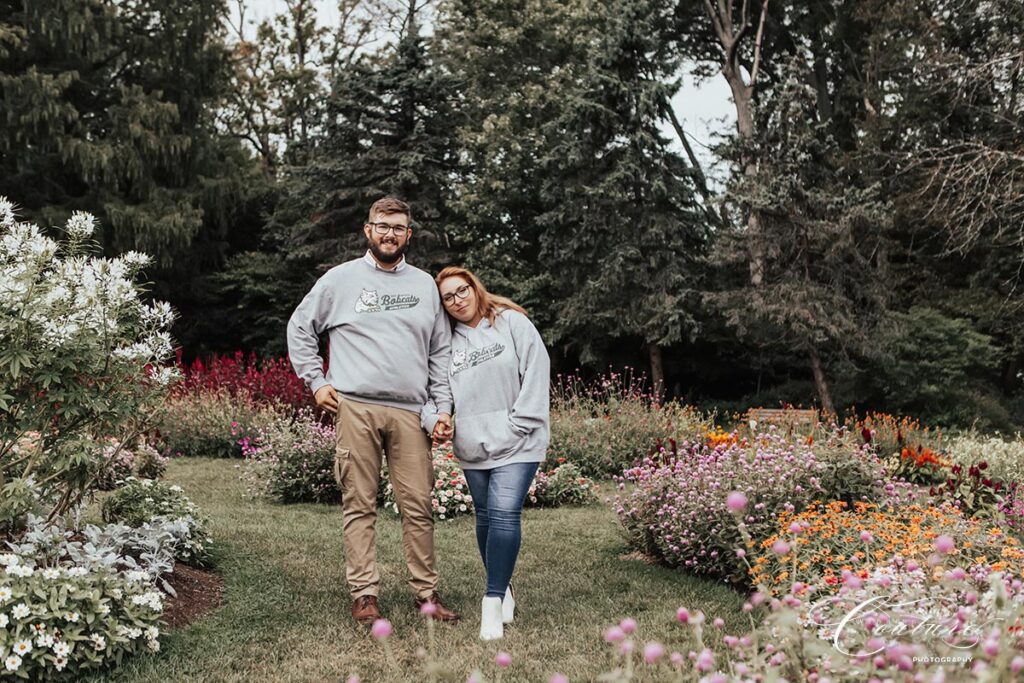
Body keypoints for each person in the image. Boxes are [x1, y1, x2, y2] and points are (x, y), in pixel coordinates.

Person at [287, 197, 460, 626]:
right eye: (382, 226)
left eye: (398, 227)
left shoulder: (424, 286)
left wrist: (441, 407)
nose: (389, 234)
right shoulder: (340, 280)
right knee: (359, 503)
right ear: (368, 230)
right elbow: (300, 327)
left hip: (410, 411)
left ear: (408, 235)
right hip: (356, 406)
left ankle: (427, 594)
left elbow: (440, 352)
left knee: (418, 504)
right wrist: (317, 381)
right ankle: (365, 593)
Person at [423, 266, 550, 641]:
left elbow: (537, 370)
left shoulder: (512, 323)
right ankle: (505, 584)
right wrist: (437, 418)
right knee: (486, 519)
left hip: (520, 438)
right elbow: (436, 390)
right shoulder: (447, 343)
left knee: (505, 512)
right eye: (448, 297)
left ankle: (491, 601)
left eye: (462, 290)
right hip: (474, 445)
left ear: (475, 288)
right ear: (442, 305)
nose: (457, 300)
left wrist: (517, 424)